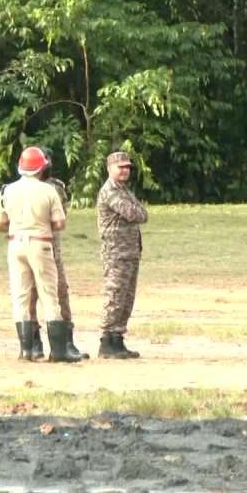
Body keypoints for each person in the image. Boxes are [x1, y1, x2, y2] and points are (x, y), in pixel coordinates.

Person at [0, 146, 81, 363]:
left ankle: (27, 350)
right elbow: (60, 223)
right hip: (41, 243)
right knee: (49, 295)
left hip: (15, 244)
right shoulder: (48, 190)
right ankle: (59, 351)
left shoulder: (7, 190)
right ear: (42, 167)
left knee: (21, 296)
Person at [24, 147, 87, 360]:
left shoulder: (56, 188)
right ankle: (33, 342)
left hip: (51, 248)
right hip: (33, 244)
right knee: (30, 295)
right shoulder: (22, 188)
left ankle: (66, 342)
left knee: (61, 294)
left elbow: (59, 219)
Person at [96, 151, 147, 360]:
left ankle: (117, 338)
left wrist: (140, 211)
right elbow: (135, 214)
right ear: (110, 169)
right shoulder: (111, 191)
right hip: (116, 252)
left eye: (127, 167)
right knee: (115, 295)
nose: (125, 170)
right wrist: (139, 210)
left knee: (126, 297)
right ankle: (107, 341)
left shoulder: (124, 190)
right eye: (121, 167)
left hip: (129, 251)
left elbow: (142, 214)